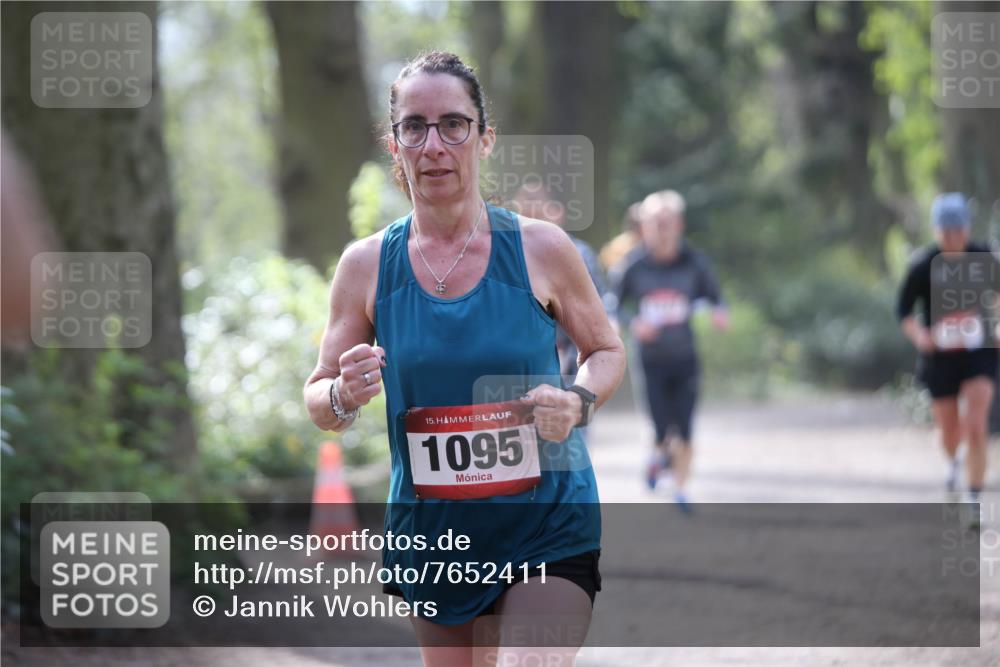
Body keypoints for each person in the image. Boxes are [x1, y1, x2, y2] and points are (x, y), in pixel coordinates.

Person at [304, 52, 625, 666]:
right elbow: (319, 398)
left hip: (548, 519)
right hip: (436, 537)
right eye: (414, 127)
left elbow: (606, 350)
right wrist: (342, 392)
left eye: (453, 124)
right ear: (394, 145)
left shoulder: (541, 247)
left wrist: (577, 401)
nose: (434, 145)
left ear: (484, 138)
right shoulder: (366, 265)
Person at [613, 190, 728, 512]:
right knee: (661, 426)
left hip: (685, 356)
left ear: (679, 224)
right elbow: (612, 305)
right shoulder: (633, 265)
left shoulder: (695, 262)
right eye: (655, 222)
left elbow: (715, 297)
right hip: (651, 359)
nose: (662, 229)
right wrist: (633, 323)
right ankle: (658, 457)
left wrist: (720, 312)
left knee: (686, 426)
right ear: (644, 226)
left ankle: (680, 489)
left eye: (667, 222)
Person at [897, 193, 998, 529]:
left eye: (959, 229)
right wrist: (920, 336)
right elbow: (903, 310)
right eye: (947, 231)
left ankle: (974, 498)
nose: (954, 237)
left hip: (979, 352)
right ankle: (954, 462)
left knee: (977, 424)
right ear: (936, 231)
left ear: (968, 228)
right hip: (939, 357)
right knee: (949, 430)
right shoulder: (924, 265)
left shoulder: (984, 257)